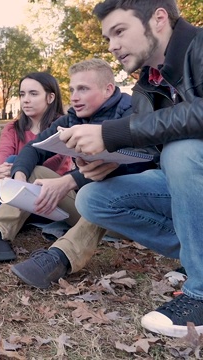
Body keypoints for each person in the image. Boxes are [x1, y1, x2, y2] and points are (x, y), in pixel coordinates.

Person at [60, 0, 203, 338]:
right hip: (188, 182)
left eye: (119, 31)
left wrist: (111, 134)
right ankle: (197, 256)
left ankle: (199, 294)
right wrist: (111, 160)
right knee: (92, 199)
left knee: (181, 153)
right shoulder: (146, 84)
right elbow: (154, 149)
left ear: (158, 19)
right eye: (108, 37)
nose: (112, 46)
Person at [0, 59, 158, 284]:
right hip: (83, 202)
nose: (75, 97)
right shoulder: (73, 118)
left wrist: (71, 180)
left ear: (108, 89)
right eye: (72, 90)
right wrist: (19, 175)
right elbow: (33, 148)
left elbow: (144, 161)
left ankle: (59, 258)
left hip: (127, 215)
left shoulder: (134, 111)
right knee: (34, 170)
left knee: (102, 193)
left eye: (83, 89)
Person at [0, 72, 72, 233]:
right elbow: (2, 154)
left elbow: (54, 162)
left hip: (50, 196)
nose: (25, 99)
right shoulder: (13, 128)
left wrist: (17, 168)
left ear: (50, 98)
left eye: (33, 94)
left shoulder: (61, 126)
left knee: (15, 161)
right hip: (15, 196)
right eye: (22, 94)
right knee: (11, 161)